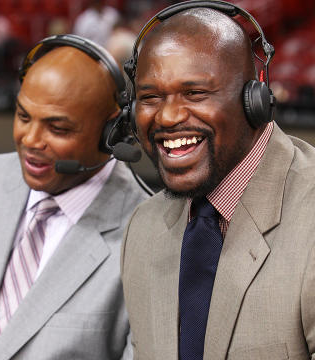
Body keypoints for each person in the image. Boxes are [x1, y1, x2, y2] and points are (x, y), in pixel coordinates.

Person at [121, 3, 315, 359]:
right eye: (151, 97)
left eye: (194, 93)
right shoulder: (141, 229)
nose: (168, 116)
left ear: (254, 99)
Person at [0, 35, 147, 359]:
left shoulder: (151, 239)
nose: (31, 140)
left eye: (58, 129)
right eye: (23, 117)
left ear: (111, 134)